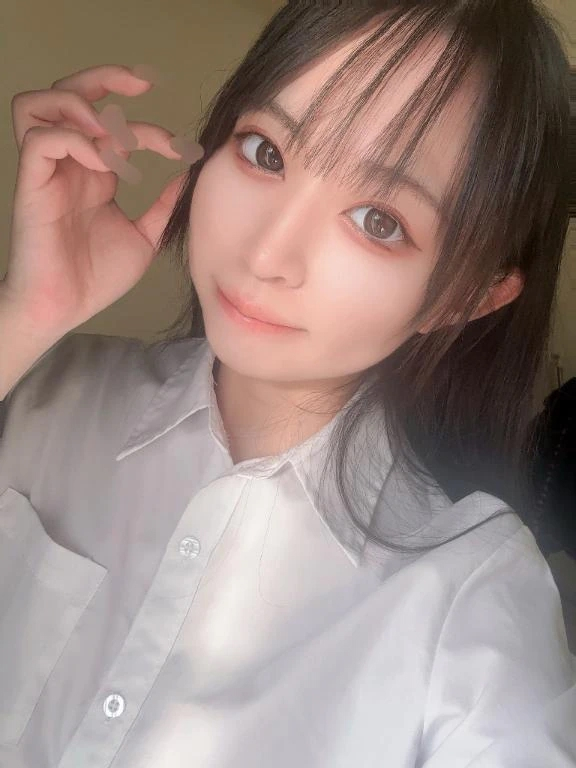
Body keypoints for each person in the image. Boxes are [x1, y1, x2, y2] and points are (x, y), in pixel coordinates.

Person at [0, 1, 574, 766]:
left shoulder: (470, 595)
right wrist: (26, 315)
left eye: (378, 220)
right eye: (265, 152)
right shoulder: (42, 390)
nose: (267, 253)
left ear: (464, 297)